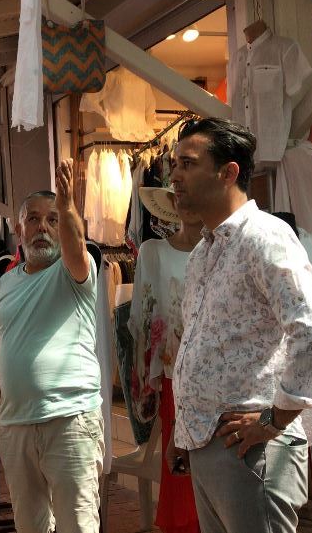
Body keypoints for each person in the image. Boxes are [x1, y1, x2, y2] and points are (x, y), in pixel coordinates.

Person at [168, 118, 312, 533]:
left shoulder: (264, 237)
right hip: (214, 446)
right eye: (174, 165)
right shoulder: (203, 253)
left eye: (188, 164)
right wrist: (184, 431)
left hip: (251, 449)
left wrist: (274, 420)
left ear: (228, 173)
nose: (174, 176)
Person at [0, 159, 103, 533]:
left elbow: (75, 247)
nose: (43, 227)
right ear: (18, 229)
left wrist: (69, 208)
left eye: (52, 219)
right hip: (17, 426)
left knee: (78, 525)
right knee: (30, 526)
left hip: (69, 420)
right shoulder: (6, 283)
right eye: (33, 219)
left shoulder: (74, 272)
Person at [128, 187, 203, 533]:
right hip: (175, 377)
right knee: (181, 472)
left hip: (218, 377)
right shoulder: (153, 251)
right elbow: (143, 321)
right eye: (178, 197)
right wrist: (147, 381)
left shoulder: (219, 249)